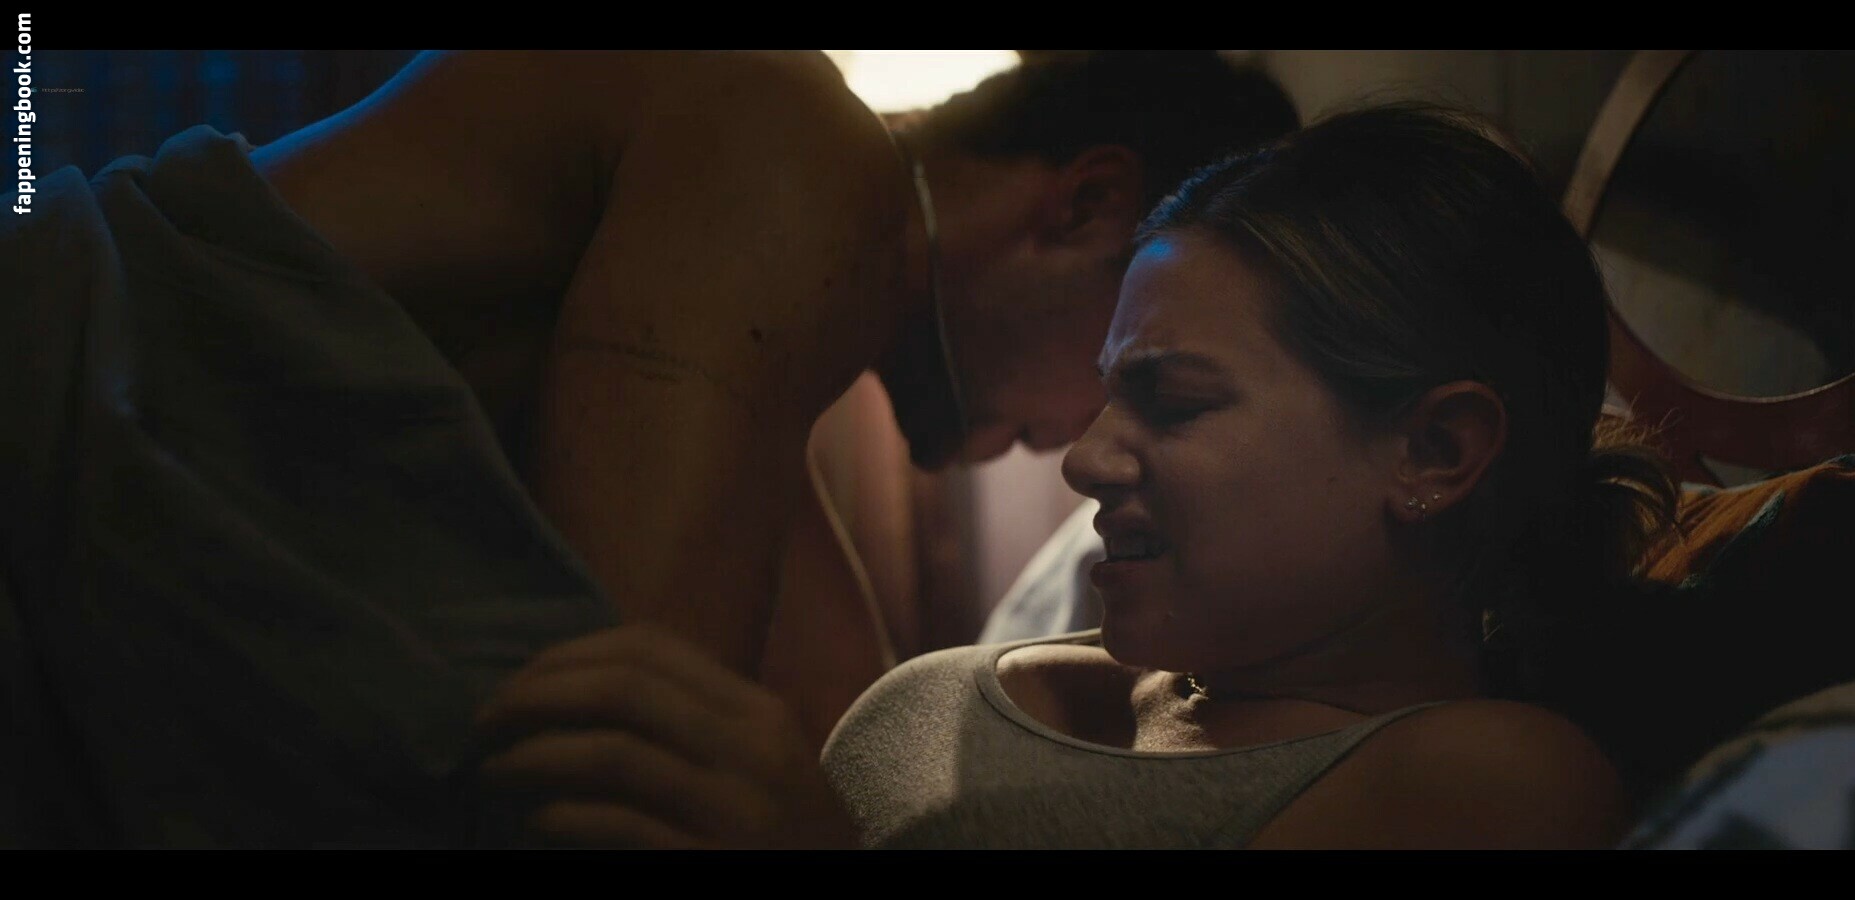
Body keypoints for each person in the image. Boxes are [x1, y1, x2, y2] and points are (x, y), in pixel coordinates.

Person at [0, 50, 1295, 845]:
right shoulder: (793, 143)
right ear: (1084, 206)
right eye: (1128, 365)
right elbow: (628, 757)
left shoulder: (769, 328)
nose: (1072, 443)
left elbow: (822, 726)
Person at [471, 104, 1682, 849]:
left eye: (1173, 400)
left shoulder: (1492, 783)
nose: (1086, 458)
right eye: (1107, 394)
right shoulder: (959, 691)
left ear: (1435, 454)